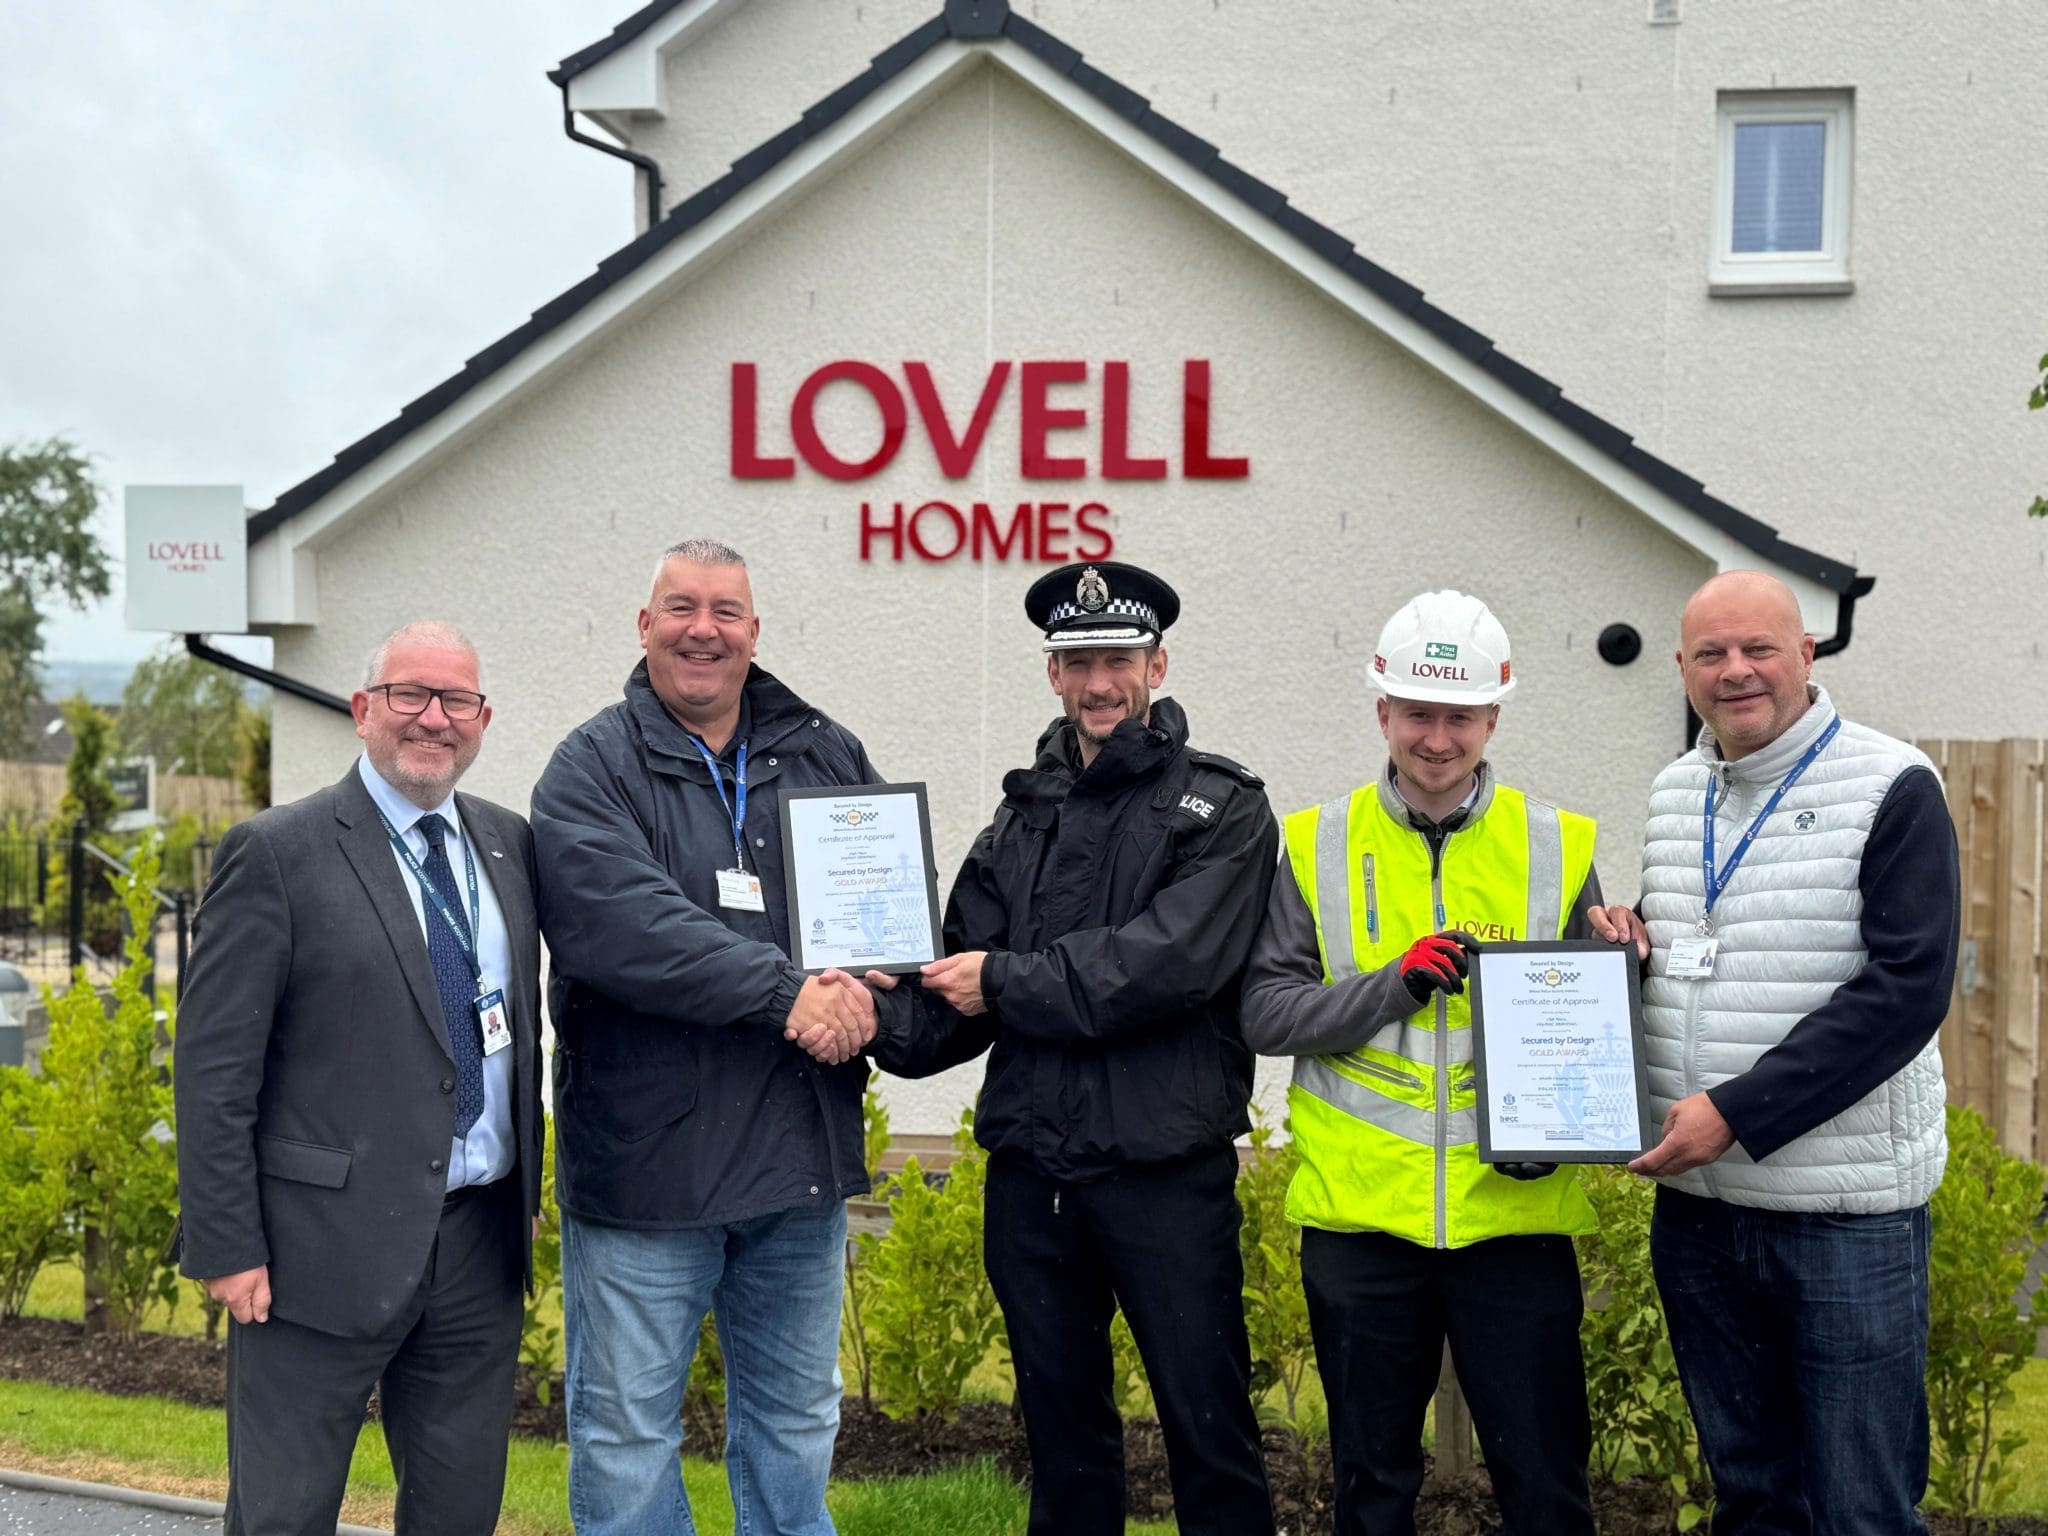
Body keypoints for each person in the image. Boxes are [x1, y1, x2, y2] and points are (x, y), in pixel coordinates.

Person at [871, 560, 1279, 1536]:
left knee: (1209, 1434)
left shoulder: (1222, 808)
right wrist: (858, 1007)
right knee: (1060, 1445)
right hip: (1033, 1177)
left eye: (1119, 660)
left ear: (1156, 666)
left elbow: (1161, 966)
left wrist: (1001, 981)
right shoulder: (1019, 819)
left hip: (1162, 1176)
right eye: (1079, 662)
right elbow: (954, 995)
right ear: (1053, 673)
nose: (1101, 683)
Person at [1588, 569, 1959, 1535]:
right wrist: (1630, 946)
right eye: (1711, 653)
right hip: (1702, 1214)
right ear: (1682, 669)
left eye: (1759, 648)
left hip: (1843, 1220)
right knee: (1752, 1499)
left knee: (1861, 1510)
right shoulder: (1677, 792)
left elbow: (1906, 990)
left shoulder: (1892, 783)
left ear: (1806, 653)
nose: (1736, 671)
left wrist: (1736, 1114)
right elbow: (1701, 944)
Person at [529, 539, 883, 1536]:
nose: (703, 630)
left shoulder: (824, 752)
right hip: (650, 1173)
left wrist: (885, 998)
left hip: (796, 1165)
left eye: (725, 611)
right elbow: (623, 926)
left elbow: (879, 916)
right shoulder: (590, 767)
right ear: (645, 626)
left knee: (795, 1424)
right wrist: (788, 993)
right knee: (626, 1434)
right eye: (680, 608)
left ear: (754, 632)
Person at [1240, 589, 1609, 1536]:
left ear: (1493, 719)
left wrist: (1625, 974)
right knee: (1372, 1492)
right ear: (1382, 713)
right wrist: (1392, 986)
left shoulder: (1556, 844)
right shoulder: (1316, 842)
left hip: (1516, 1218)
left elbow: (1590, 1024)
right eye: (1417, 714)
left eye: (1459, 717)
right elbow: (1266, 1012)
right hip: (1362, 1223)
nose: (1437, 740)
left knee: (1548, 1489)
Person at [174, 621, 543, 1536]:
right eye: (409, 693)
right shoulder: (277, 852)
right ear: (362, 709)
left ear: (483, 719)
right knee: (284, 1516)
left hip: (478, 1248)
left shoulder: (510, 845)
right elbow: (214, 1071)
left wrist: (527, 1192)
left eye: (457, 699)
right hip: (311, 1255)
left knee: (459, 1515)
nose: (433, 717)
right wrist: (226, 1242)